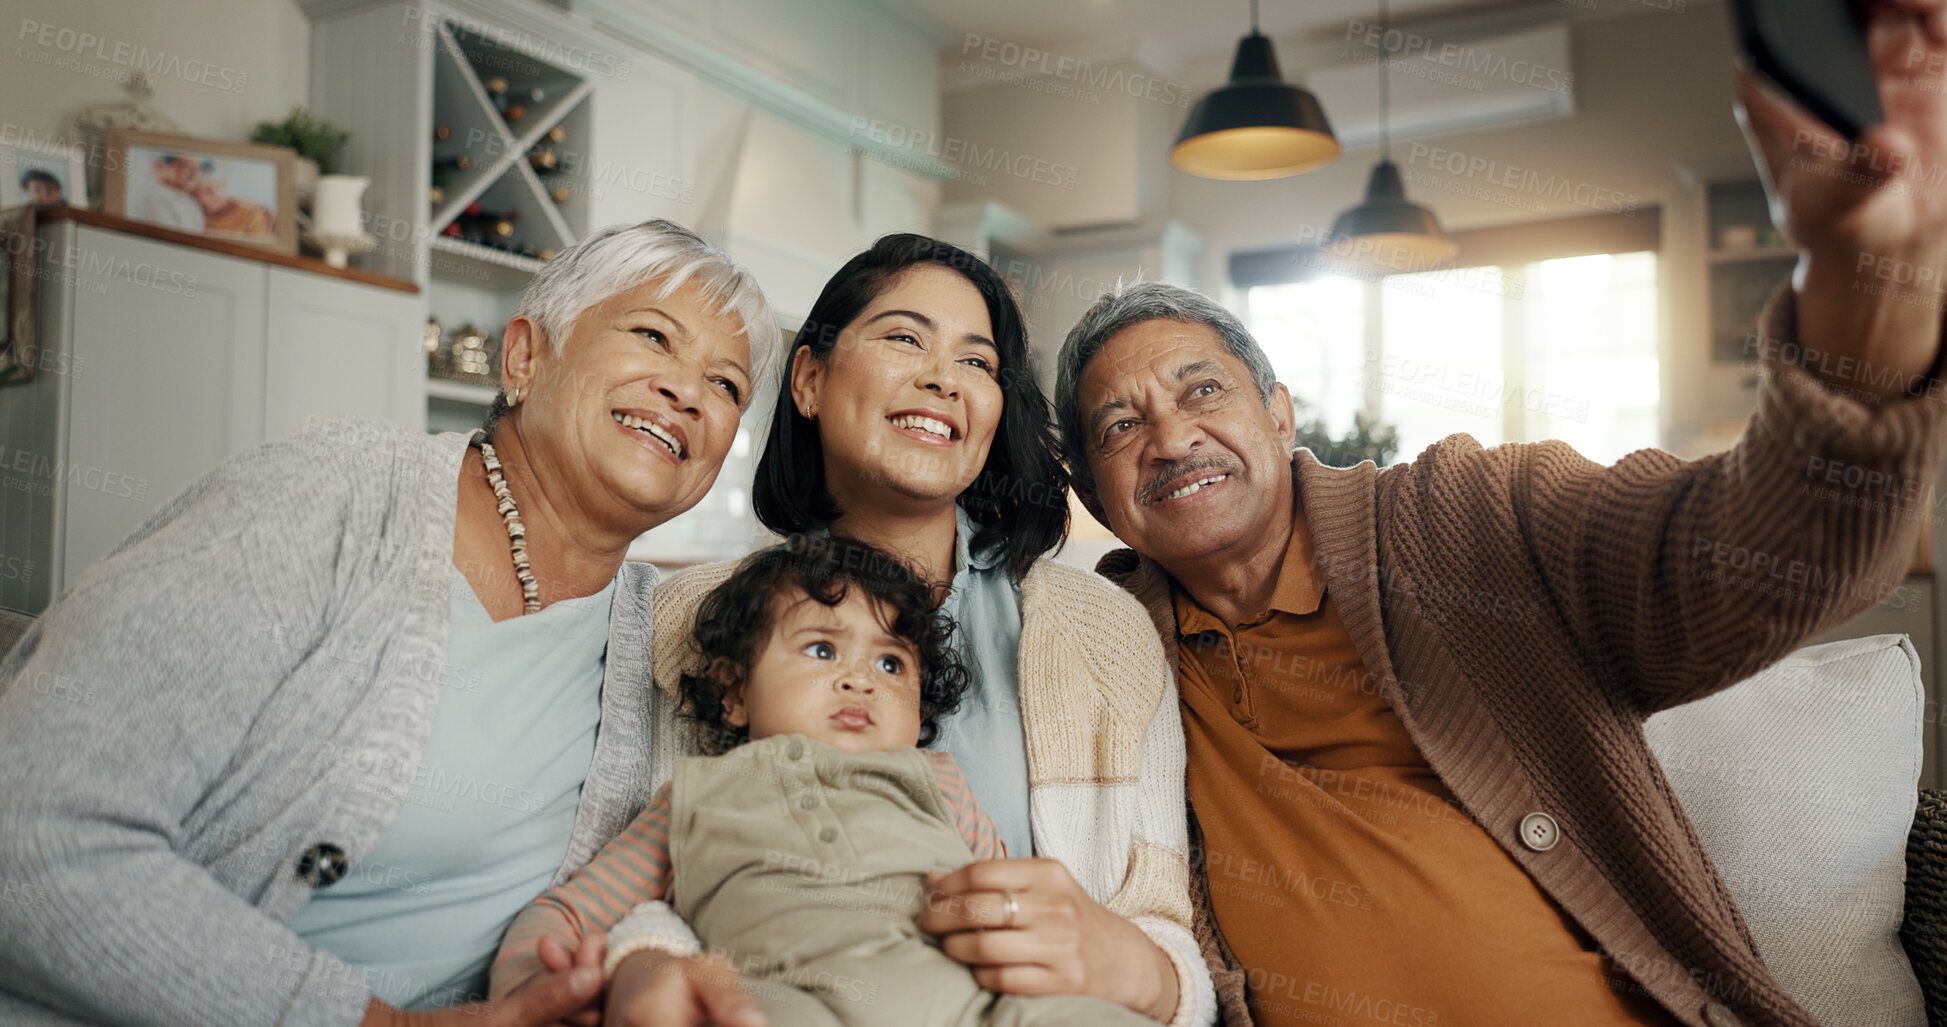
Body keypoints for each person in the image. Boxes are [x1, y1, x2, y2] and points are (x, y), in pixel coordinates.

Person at [1052, 7, 1947, 1025]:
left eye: (1202, 390)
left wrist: (1871, 287)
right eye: (1121, 423)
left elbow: (1754, 558)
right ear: (1090, 490)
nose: (1171, 439)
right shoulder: (1106, 648)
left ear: (1280, 410)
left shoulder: (1476, 518)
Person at [0, 219, 779, 1027]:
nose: (688, 390)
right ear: (525, 356)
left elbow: (692, 860)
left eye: (725, 385)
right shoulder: (331, 499)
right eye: (653, 335)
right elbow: (30, 831)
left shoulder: (668, 639)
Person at [600, 234, 1215, 1027]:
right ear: (810, 378)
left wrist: (1130, 965)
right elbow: (644, 877)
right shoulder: (683, 618)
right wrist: (648, 964)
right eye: (903, 337)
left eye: (976, 362)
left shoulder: (1105, 631)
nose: (941, 379)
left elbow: (1167, 934)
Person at [493, 534, 1155, 1026]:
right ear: (732, 693)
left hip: (981, 1003)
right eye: (821, 648)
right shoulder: (693, 797)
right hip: (787, 997)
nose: (860, 677)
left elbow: (1011, 898)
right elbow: (568, 911)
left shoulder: (937, 780)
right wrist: (531, 979)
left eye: (892, 664)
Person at [194, 166, 276, 236]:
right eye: (196, 194)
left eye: (210, 191)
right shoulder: (195, 211)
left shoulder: (251, 213)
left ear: (224, 185)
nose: (203, 199)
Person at [136, 153, 204, 230]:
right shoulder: (151, 195)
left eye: (197, 167)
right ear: (160, 166)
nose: (194, 173)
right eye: (185, 166)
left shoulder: (187, 199)